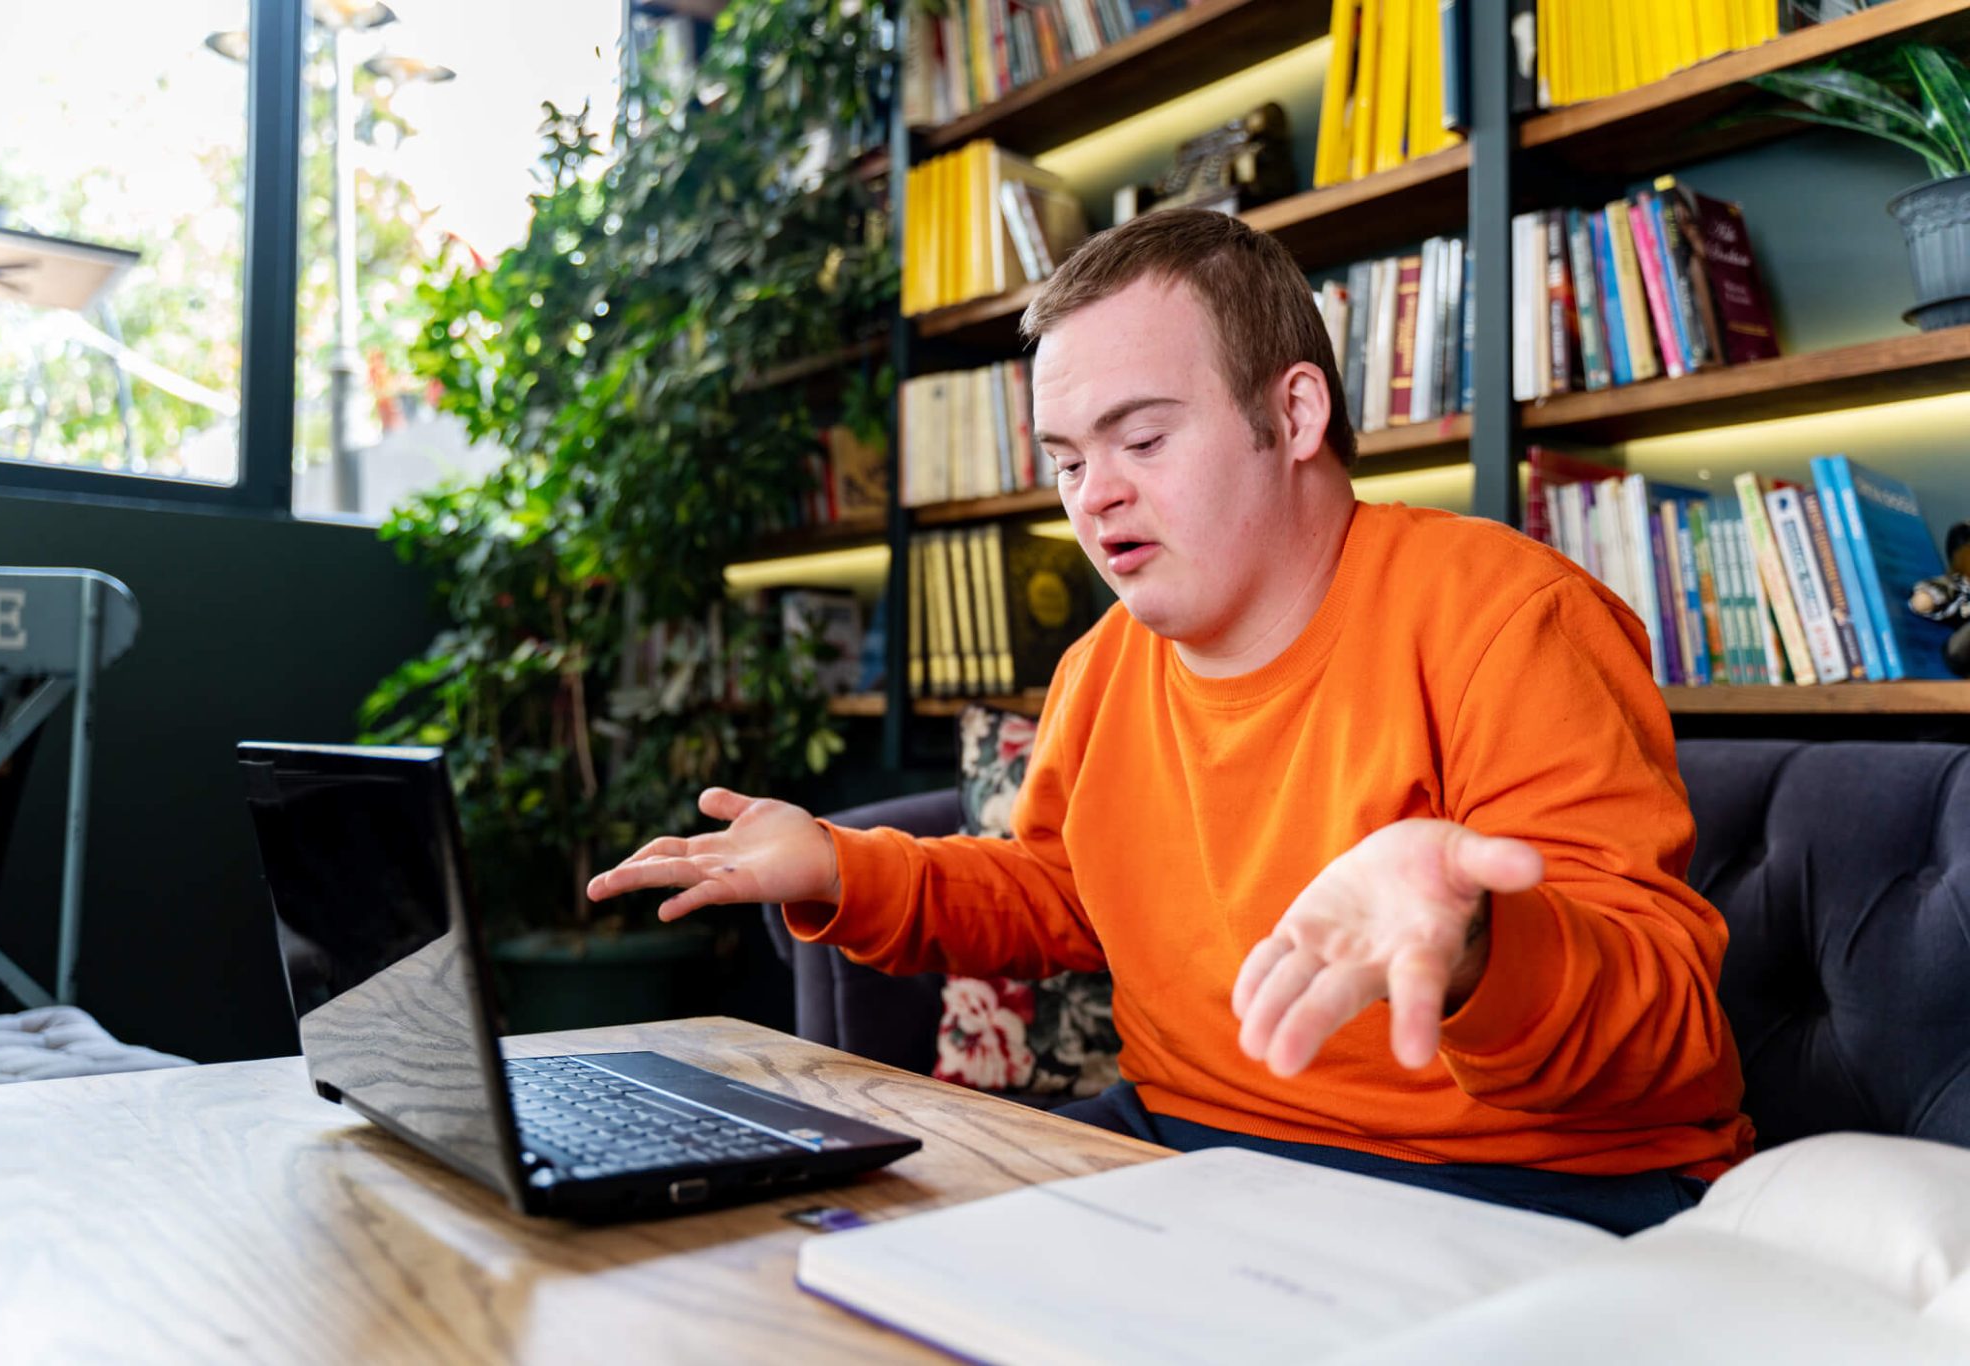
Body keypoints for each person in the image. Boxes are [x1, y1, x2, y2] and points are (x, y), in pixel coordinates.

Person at [588, 209, 1750, 1235]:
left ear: (1293, 412)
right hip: (1182, 1146)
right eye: (1065, 460)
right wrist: (842, 866)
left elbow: (1668, 1027)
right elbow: (1059, 893)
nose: (1093, 496)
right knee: (825, 1263)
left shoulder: (1510, 618)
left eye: (1140, 440)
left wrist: (1477, 945)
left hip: (1523, 1182)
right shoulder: (1102, 666)